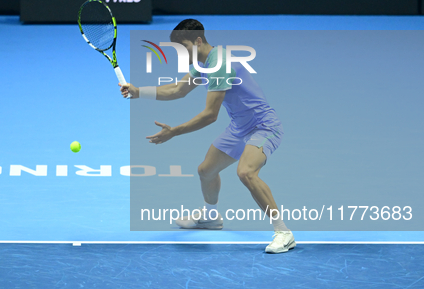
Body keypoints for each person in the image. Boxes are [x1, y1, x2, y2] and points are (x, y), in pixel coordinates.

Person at [120, 19, 295, 254]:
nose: (181, 53)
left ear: (198, 41)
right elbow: (177, 90)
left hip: (263, 126)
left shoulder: (219, 64)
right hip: (239, 126)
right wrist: (139, 92)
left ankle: (283, 232)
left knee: (246, 172)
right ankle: (211, 217)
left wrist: (174, 132)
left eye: (183, 47)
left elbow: (210, 115)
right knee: (206, 171)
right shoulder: (204, 61)